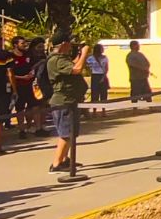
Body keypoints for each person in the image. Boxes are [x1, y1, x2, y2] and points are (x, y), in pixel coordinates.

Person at [47, 31, 89, 172]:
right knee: (66, 133)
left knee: (71, 133)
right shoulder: (56, 60)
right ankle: (56, 164)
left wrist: (79, 54)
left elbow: (72, 65)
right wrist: (84, 54)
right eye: (70, 42)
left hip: (70, 99)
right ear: (64, 43)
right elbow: (77, 69)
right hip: (63, 101)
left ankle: (65, 159)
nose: (72, 44)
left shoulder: (62, 59)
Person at [11, 36, 39, 139]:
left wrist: (32, 73)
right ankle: (21, 130)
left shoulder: (28, 54)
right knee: (20, 108)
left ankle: (37, 128)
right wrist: (21, 77)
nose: (25, 45)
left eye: (25, 43)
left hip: (30, 85)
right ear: (15, 45)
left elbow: (33, 66)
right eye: (22, 43)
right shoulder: (10, 56)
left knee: (34, 105)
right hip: (18, 86)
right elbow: (8, 73)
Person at [86, 43, 109, 117]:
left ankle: (103, 111)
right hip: (95, 75)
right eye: (101, 48)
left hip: (101, 75)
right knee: (95, 95)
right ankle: (94, 111)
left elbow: (106, 68)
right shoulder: (91, 58)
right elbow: (87, 66)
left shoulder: (104, 57)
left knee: (103, 94)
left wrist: (103, 76)